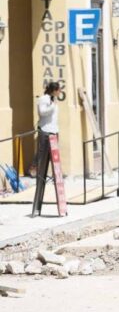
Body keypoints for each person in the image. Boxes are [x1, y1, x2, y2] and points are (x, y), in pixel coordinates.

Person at [32, 82, 61, 217]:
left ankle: (61, 204)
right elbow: (42, 113)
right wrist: (52, 106)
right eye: (58, 90)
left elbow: (54, 118)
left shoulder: (54, 100)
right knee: (42, 167)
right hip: (44, 133)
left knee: (56, 167)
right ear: (53, 90)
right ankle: (36, 206)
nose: (59, 92)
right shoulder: (43, 99)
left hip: (53, 132)